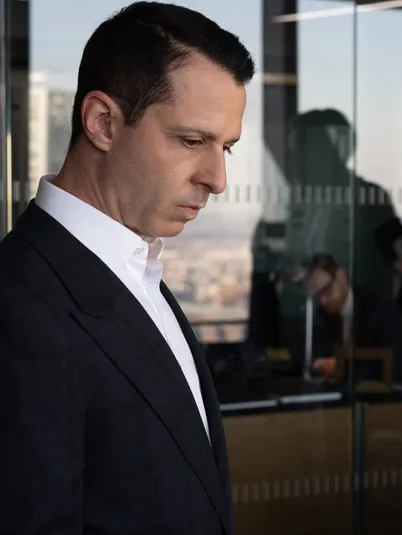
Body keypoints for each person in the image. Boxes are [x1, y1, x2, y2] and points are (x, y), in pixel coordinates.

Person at [0, 3, 254, 534]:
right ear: (102, 123)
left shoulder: (137, 270)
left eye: (226, 148)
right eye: (192, 141)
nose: (217, 179)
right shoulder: (19, 307)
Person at [302, 253, 402, 384]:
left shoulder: (378, 307)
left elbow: (395, 362)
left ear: (341, 277)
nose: (322, 301)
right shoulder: (322, 314)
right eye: (317, 296)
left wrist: (342, 367)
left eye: (326, 291)